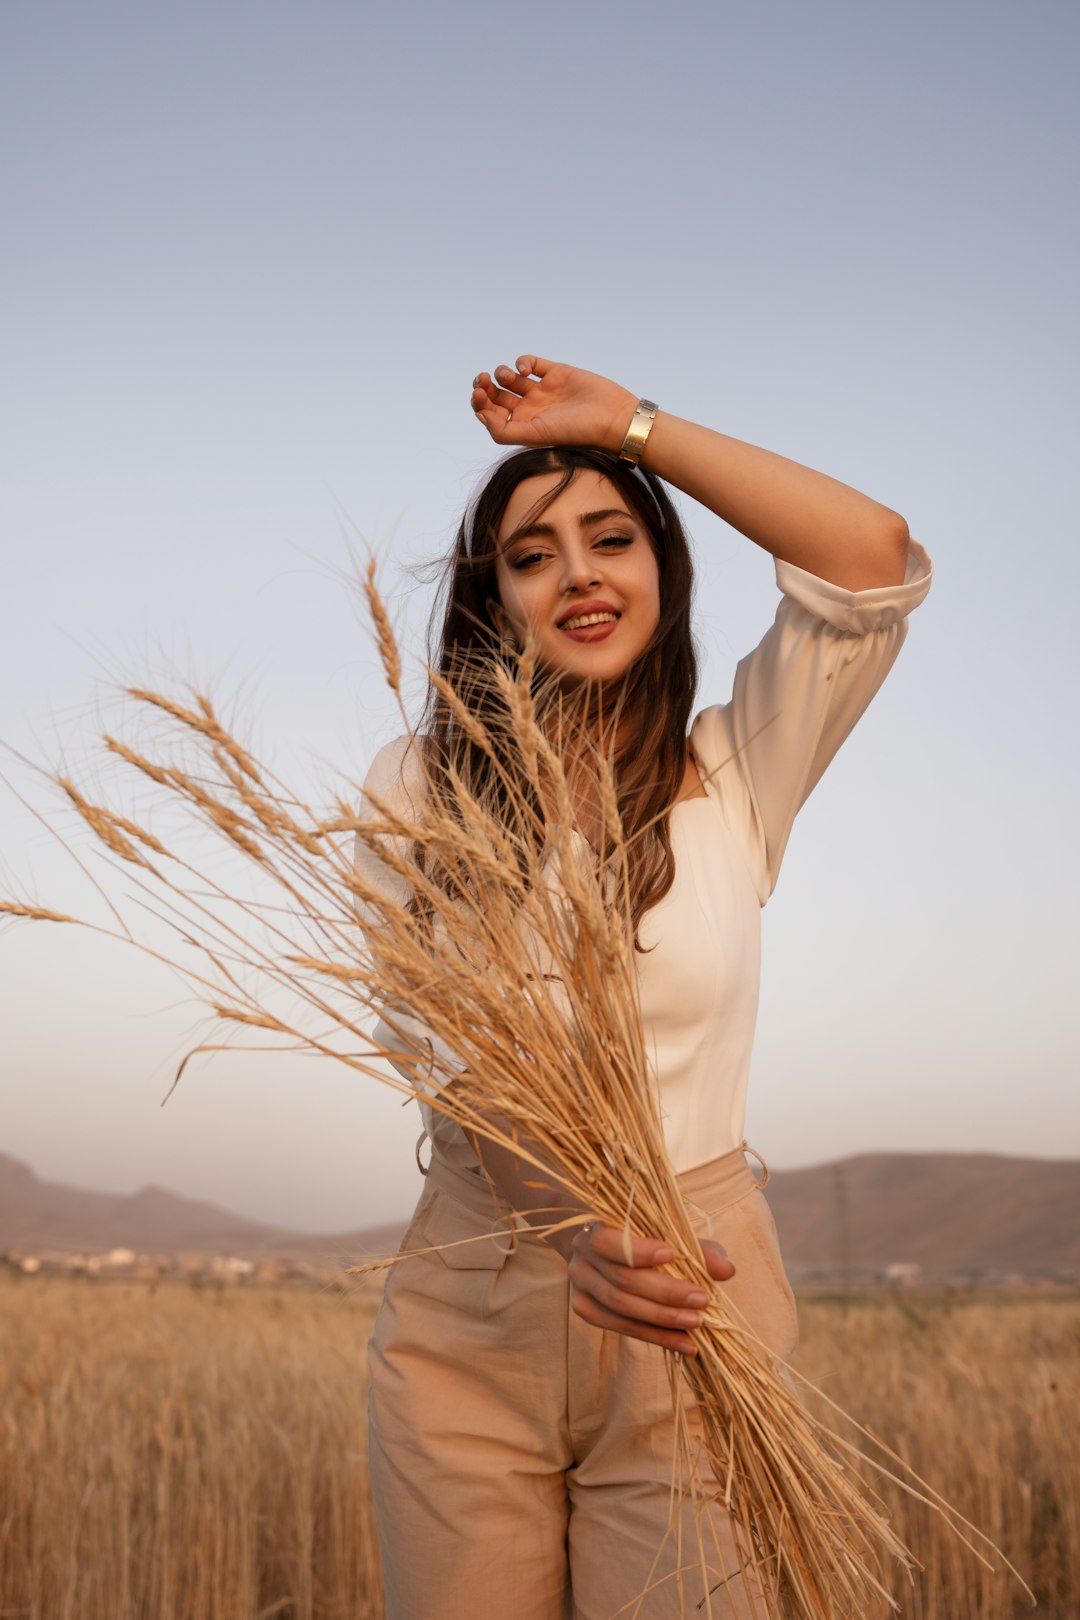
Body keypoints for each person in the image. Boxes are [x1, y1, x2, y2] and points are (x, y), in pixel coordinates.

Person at [356, 355, 931, 1620]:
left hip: (696, 1284)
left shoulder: (741, 763)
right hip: (478, 1289)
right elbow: (447, 1053)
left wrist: (631, 425)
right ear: (494, 600)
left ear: (665, 571)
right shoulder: (421, 789)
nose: (578, 574)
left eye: (612, 539)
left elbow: (873, 553)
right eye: (532, 555)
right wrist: (579, 1228)